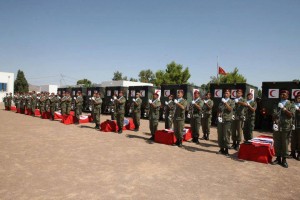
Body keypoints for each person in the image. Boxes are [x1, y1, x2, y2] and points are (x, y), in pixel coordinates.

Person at [272, 90, 295, 168]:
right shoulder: (277, 103)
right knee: (277, 142)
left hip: (286, 126)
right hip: (277, 126)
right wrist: (274, 122)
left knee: (285, 143)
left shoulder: (291, 104)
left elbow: (291, 115)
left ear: (288, 95)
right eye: (281, 94)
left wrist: (284, 109)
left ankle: (284, 159)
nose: (282, 95)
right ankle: (278, 158)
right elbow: (274, 114)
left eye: (284, 94)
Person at [217, 89, 235, 156]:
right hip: (221, 120)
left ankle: (226, 150)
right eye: (225, 93)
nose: (226, 94)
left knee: (226, 135)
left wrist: (225, 103)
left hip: (227, 120)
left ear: (230, 94)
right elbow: (219, 110)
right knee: (220, 135)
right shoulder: (221, 102)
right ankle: (221, 149)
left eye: (227, 93)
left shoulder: (232, 101)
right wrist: (218, 116)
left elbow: (230, 109)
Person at [290, 92, 300, 160]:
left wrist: (299, 110)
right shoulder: (292, 104)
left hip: (299, 125)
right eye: (297, 98)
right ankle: (292, 152)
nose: (298, 99)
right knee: (293, 139)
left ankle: (299, 153)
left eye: (299, 98)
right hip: (293, 124)